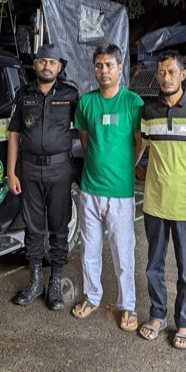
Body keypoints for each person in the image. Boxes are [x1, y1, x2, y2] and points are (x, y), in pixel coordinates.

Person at [136, 50, 186, 348]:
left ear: (183, 75)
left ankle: (184, 322)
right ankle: (157, 315)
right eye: (161, 72)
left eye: (171, 71)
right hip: (155, 202)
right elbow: (141, 149)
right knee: (153, 263)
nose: (165, 77)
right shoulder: (149, 111)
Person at [70, 44, 143, 332]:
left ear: (120, 68)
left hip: (121, 193)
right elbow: (85, 140)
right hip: (90, 189)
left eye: (109, 65)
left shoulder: (133, 102)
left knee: (123, 252)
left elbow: (140, 142)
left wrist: (125, 167)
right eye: (99, 66)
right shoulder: (87, 103)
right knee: (89, 248)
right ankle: (92, 296)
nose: (103, 71)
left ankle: (128, 306)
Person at [7, 44, 79, 311]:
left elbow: (82, 131)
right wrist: (11, 172)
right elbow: (14, 135)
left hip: (60, 170)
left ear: (59, 66)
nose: (46, 66)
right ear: (35, 65)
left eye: (52, 62)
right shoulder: (24, 95)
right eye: (41, 61)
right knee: (33, 227)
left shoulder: (71, 95)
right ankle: (36, 281)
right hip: (29, 170)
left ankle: (56, 283)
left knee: (59, 228)